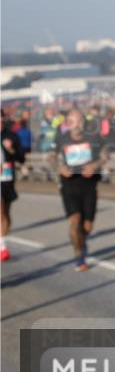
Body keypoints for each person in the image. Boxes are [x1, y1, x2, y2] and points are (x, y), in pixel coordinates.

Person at [55, 108, 107, 272]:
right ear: (67, 123)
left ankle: (81, 241)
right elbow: (50, 157)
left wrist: (94, 165)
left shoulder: (93, 138)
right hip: (69, 185)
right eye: (72, 121)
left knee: (87, 226)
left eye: (79, 121)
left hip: (89, 185)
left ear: (84, 123)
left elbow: (105, 155)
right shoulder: (61, 139)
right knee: (75, 221)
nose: (76, 125)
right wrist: (59, 168)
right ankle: (79, 257)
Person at [1, 111, 27, 262]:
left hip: (7, 178)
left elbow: (21, 158)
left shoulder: (11, 136)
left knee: (6, 212)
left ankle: (3, 240)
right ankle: (2, 248)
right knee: (0, 211)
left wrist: (11, 149)